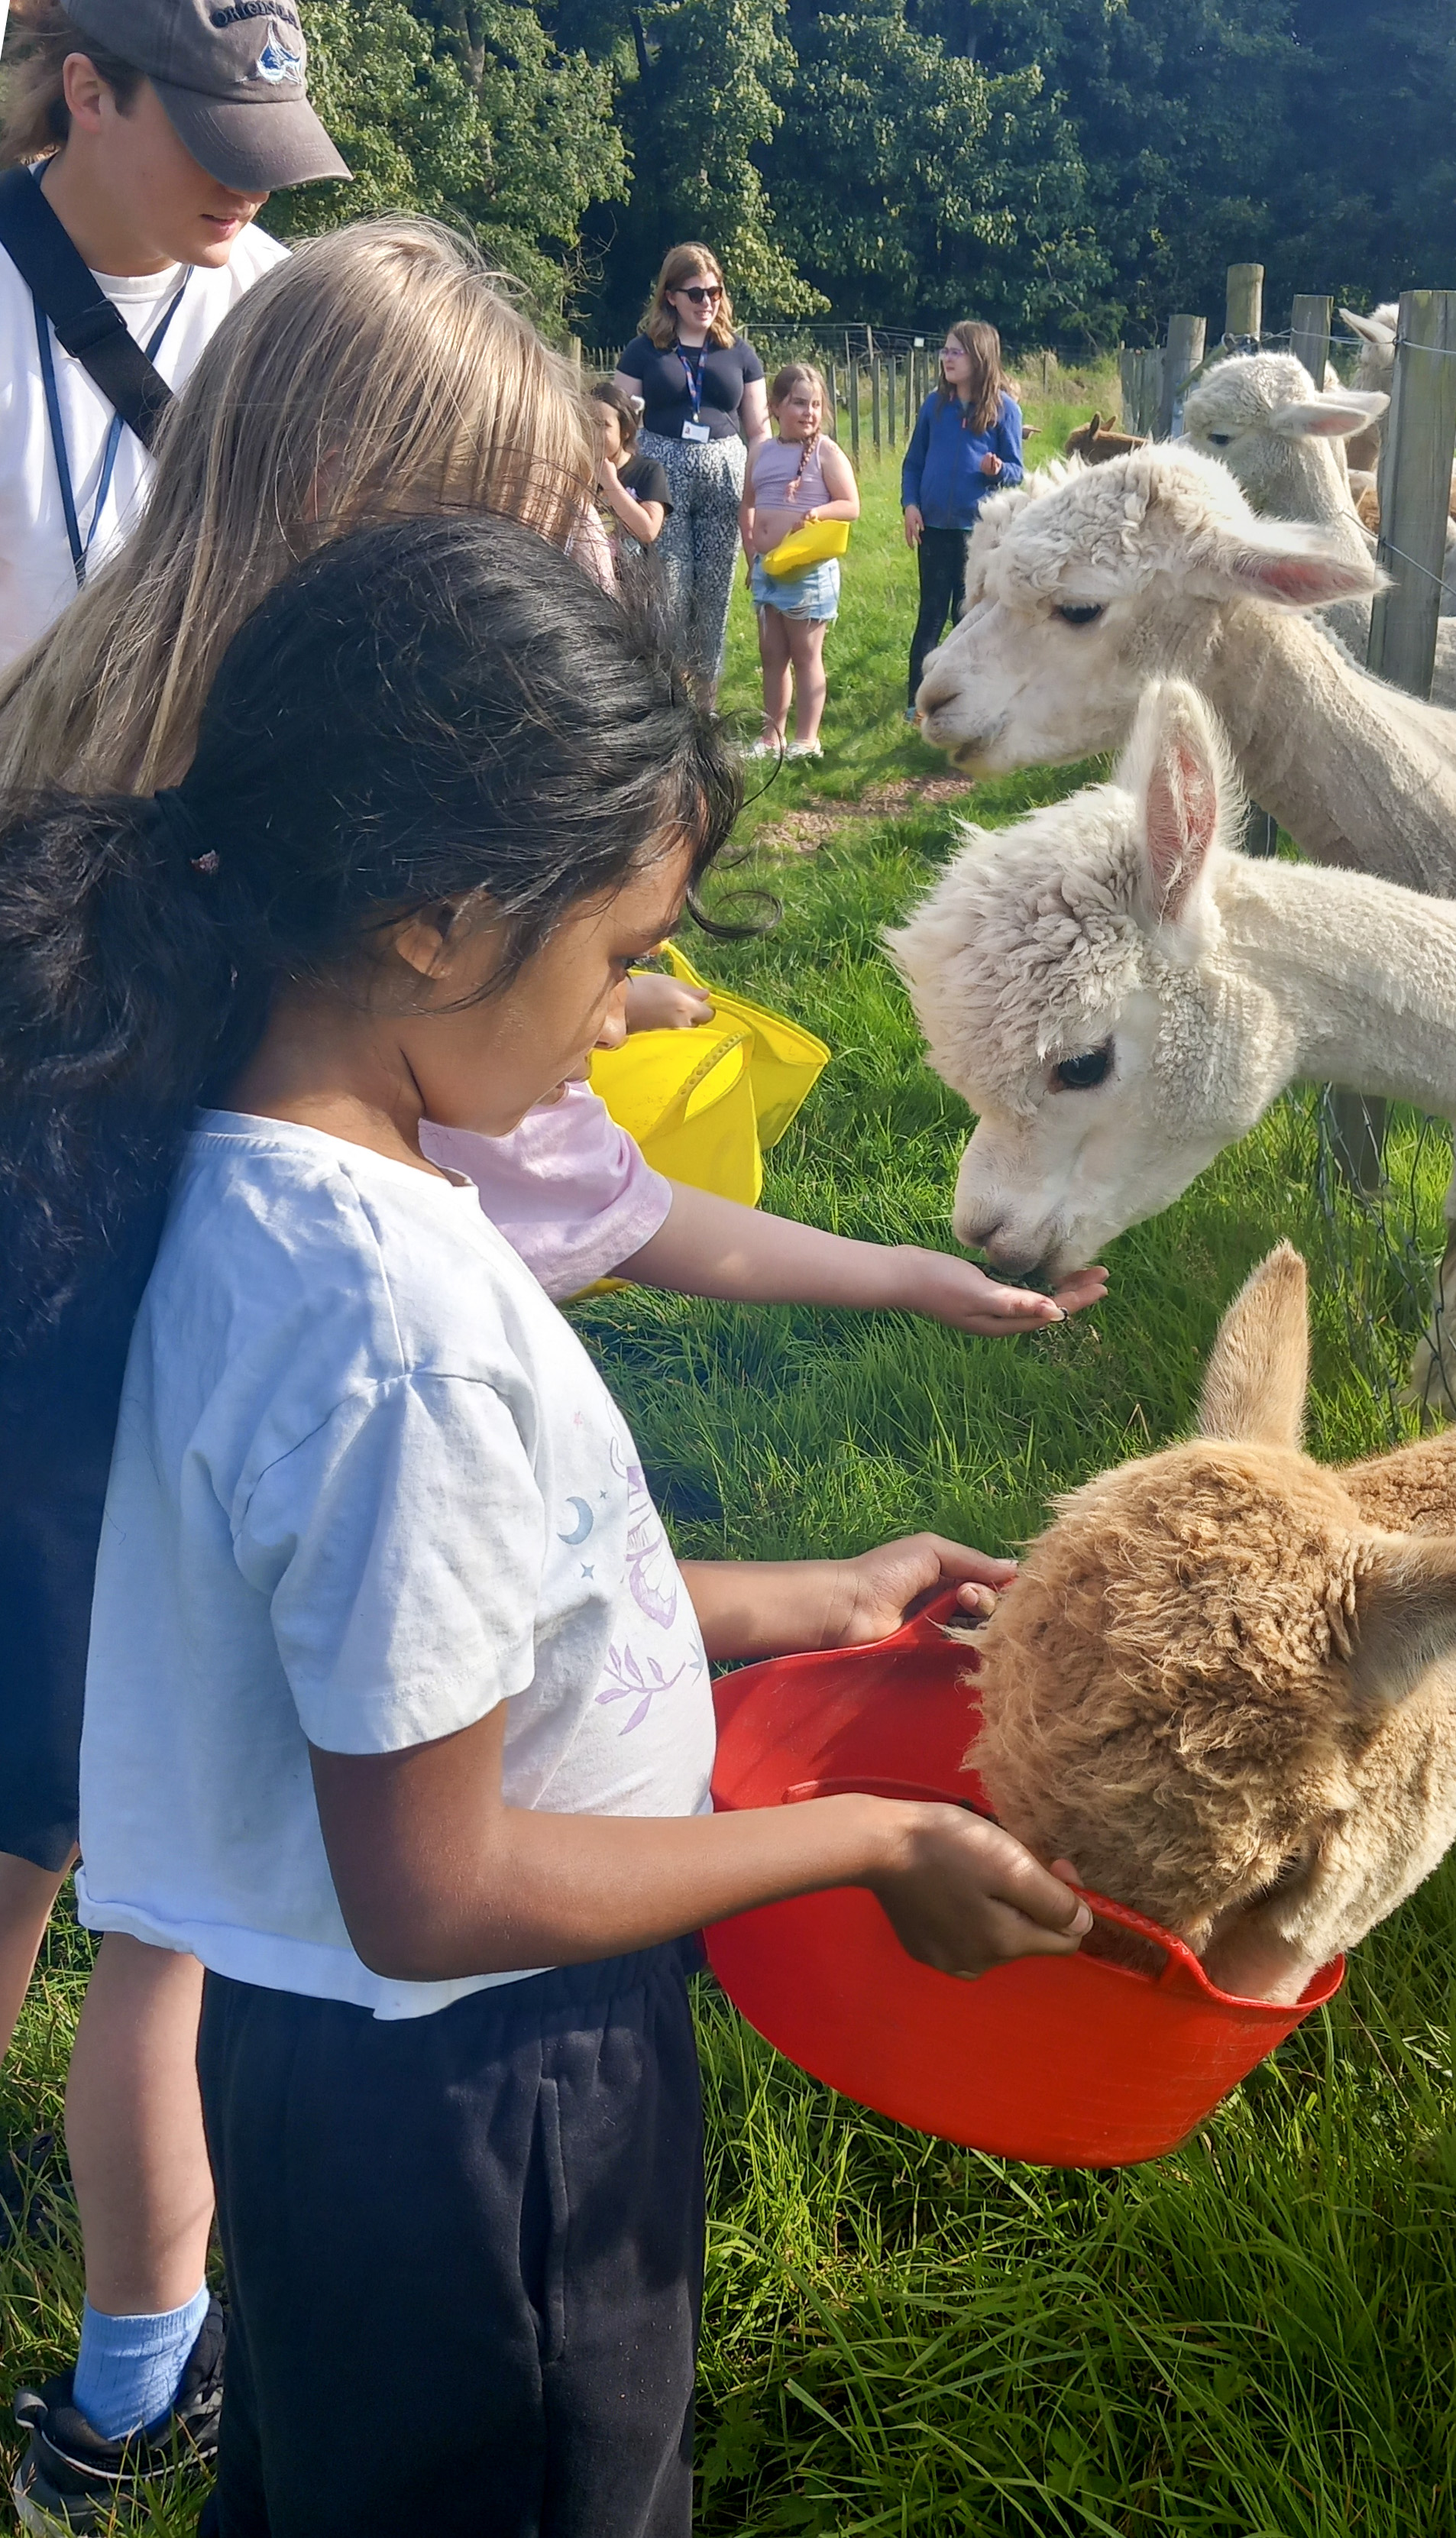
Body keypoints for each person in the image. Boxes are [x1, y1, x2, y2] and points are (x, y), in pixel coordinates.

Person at [0, 213, 1104, 2538]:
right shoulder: (383, 1318)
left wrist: (812, 1594)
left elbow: (437, 1627)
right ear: (424, 917)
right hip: (485, 2094)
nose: (637, 1016)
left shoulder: (256, 1185)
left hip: (342, 2069)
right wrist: (876, 1832)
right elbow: (445, 1872)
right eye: (620, 953)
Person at [0, 0, 347, 668]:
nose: (254, 183)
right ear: (89, 95)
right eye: (215, 136)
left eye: (271, 141)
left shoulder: (293, 314)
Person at [613, 242, 766, 701]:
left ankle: (706, 705)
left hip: (725, 476)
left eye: (714, 292)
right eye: (696, 293)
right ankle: (665, 700)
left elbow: (758, 430)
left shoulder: (739, 352)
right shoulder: (643, 352)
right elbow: (620, 429)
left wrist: (756, 497)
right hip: (664, 477)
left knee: (714, 596)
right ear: (671, 296)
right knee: (669, 592)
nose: (707, 303)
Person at [900, 319, 1023, 719]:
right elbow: (913, 463)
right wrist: (910, 505)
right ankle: (918, 704)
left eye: (957, 351)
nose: (947, 358)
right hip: (933, 528)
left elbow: (1018, 472)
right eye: (945, 350)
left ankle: (963, 702)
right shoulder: (935, 407)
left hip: (978, 534)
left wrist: (997, 470)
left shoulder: (1006, 412)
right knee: (931, 614)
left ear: (980, 358)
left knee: (967, 619)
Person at [739, 361, 859, 761]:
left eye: (815, 405)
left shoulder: (826, 452)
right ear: (774, 407)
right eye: (798, 403)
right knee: (772, 655)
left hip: (807, 573)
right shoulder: (761, 453)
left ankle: (807, 739)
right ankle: (771, 738)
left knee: (806, 656)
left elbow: (851, 505)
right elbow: (749, 507)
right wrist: (752, 555)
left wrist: (819, 514)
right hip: (768, 570)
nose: (808, 412)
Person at [587, 374, 671, 575]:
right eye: (588, 422)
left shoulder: (648, 471)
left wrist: (610, 483)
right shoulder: (576, 471)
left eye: (603, 425)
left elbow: (648, 530)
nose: (593, 431)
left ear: (625, 431)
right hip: (586, 584)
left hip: (635, 590)